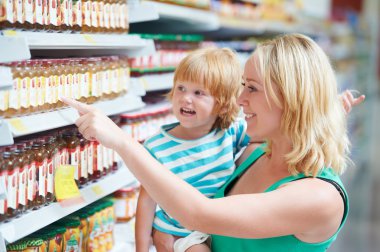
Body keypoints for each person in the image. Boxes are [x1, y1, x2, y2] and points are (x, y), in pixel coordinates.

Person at [61, 33, 365, 252]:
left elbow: (200, 214)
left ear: (292, 99)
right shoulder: (257, 154)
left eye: (252, 89)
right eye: (242, 86)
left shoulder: (319, 199)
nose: (240, 99)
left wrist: (122, 142)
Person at [135, 47, 250, 252]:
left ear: (222, 106)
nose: (186, 98)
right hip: (179, 231)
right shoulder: (156, 147)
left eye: (198, 93)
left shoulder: (231, 133)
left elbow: (268, 139)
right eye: (181, 88)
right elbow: (146, 202)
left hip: (214, 224)